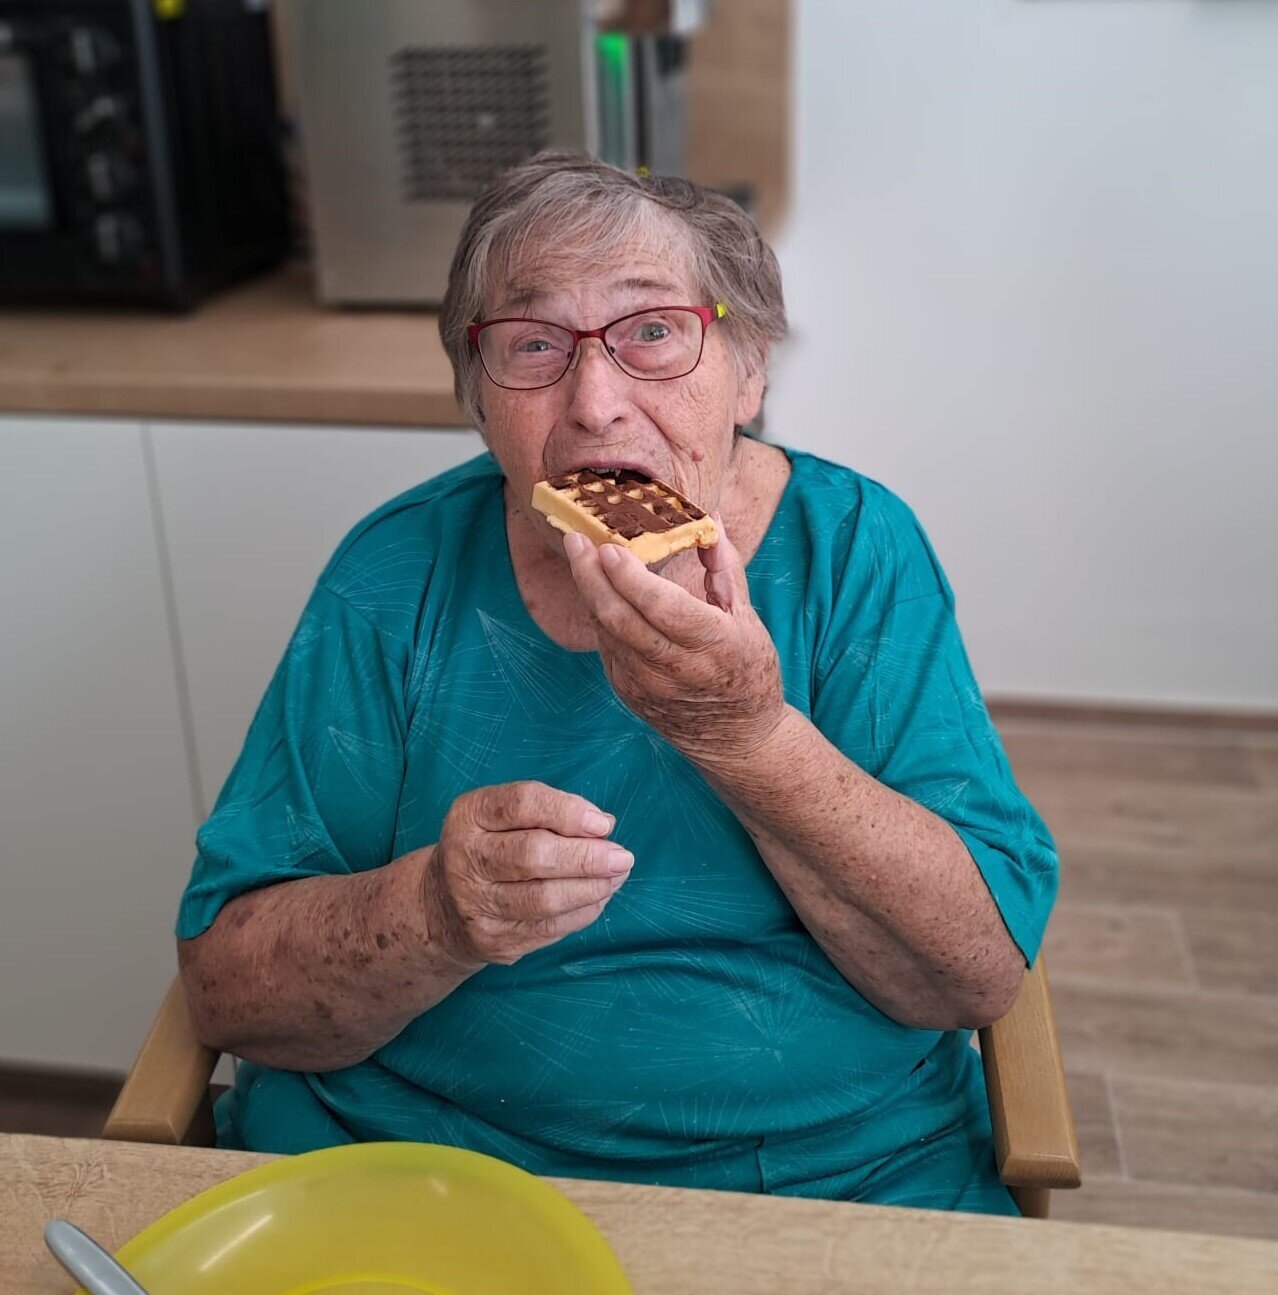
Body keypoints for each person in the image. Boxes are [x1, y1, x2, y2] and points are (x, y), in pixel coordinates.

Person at [177, 150, 1058, 1215]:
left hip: (830, 1177)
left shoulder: (856, 552)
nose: (596, 404)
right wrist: (436, 910)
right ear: (478, 395)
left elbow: (976, 971)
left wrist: (750, 737)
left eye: (652, 332)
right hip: (418, 1168)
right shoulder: (394, 575)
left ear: (749, 369)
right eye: (534, 344)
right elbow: (227, 989)